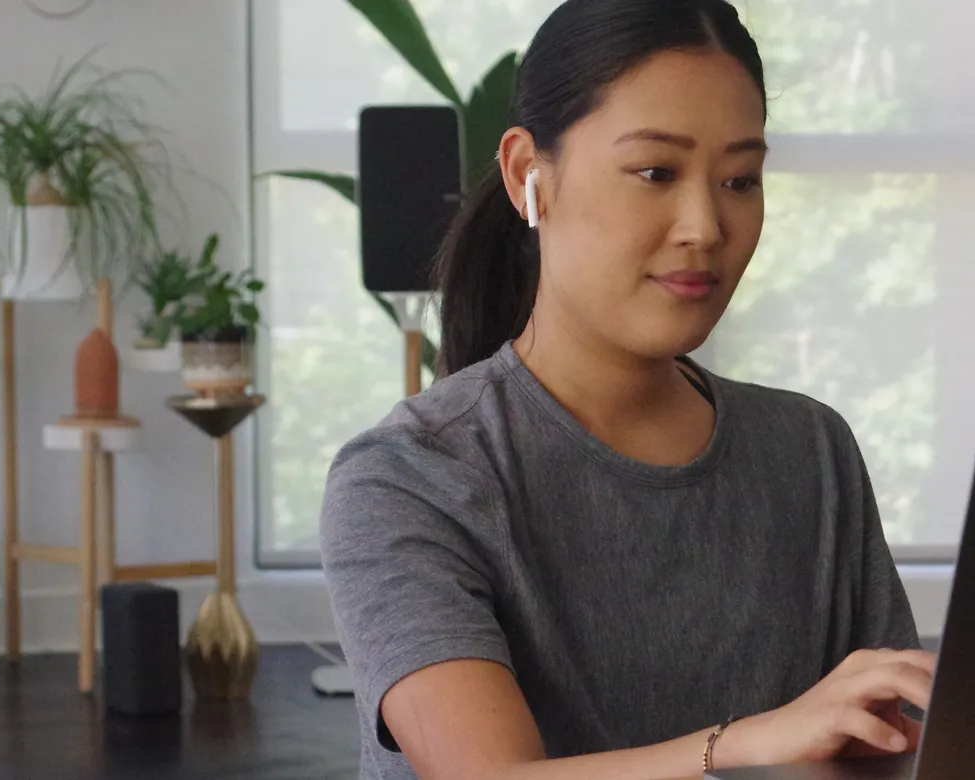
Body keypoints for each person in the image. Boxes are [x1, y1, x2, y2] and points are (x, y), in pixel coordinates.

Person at [318, 1, 932, 778]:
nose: (705, 226)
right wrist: (743, 744)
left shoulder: (812, 450)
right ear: (526, 177)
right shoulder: (407, 476)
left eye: (740, 179)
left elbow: (882, 754)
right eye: (655, 172)